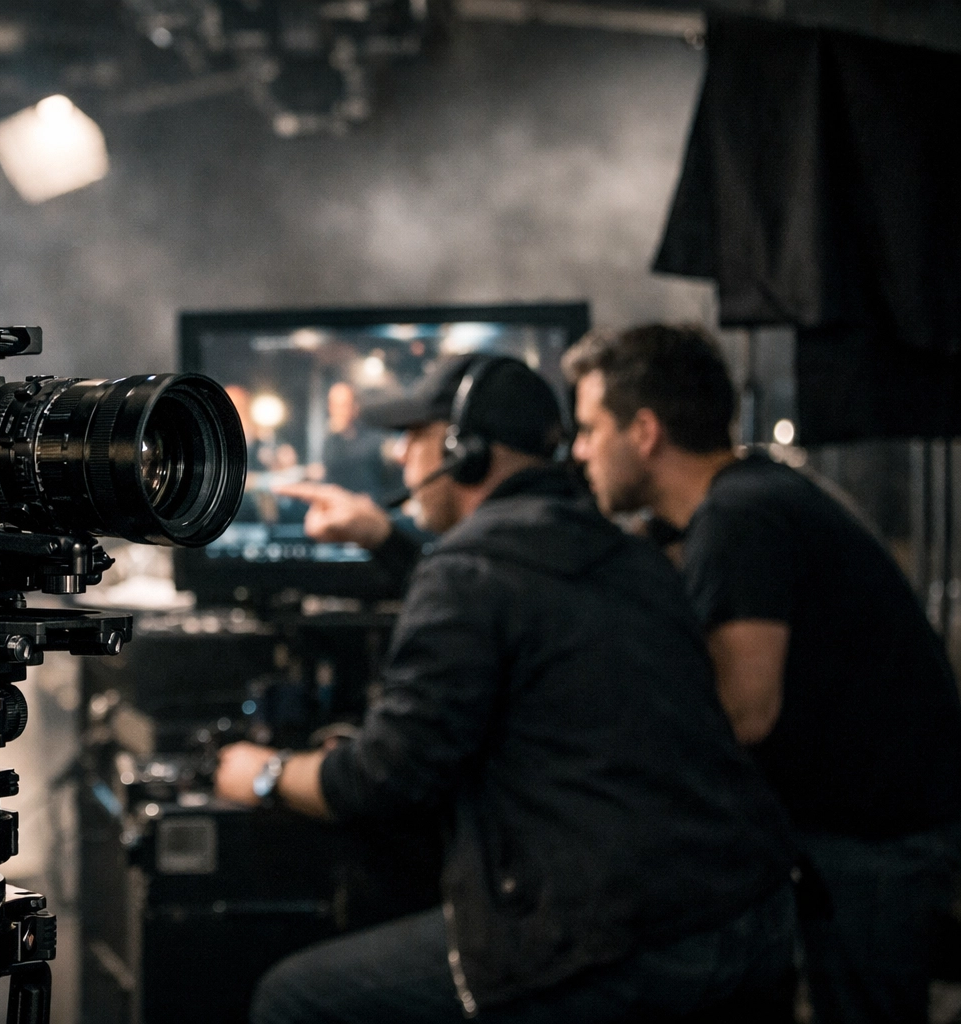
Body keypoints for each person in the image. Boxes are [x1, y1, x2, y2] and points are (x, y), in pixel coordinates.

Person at [215, 353, 796, 1024]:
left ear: (463, 451)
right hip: (743, 918)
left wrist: (263, 774)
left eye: (416, 436)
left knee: (293, 999)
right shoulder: (625, 552)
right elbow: (510, 601)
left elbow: (379, 779)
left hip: (608, 943)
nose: (402, 457)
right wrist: (387, 537)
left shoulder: (469, 575)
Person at [562, 324, 961, 1024]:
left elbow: (744, 712)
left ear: (646, 431)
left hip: (872, 846)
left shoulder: (740, 519)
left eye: (591, 427)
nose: (579, 449)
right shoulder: (747, 498)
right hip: (870, 832)